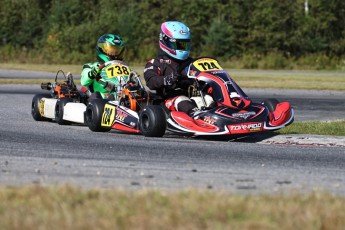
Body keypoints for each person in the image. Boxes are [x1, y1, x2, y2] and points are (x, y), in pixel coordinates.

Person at [143, 21, 199, 117]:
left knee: (207, 98)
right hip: (166, 101)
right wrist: (167, 79)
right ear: (166, 41)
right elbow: (151, 81)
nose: (183, 47)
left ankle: (219, 115)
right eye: (179, 44)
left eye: (185, 44)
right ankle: (197, 116)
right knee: (181, 100)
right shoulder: (156, 63)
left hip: (192, 97)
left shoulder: (191, 62)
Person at [81, 33, 128, 100]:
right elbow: (84, 81)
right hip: (101, 100)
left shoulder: (124, 67)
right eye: (111, 51)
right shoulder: (91, 66)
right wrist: (93, 72)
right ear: (101, 49)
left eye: (117, 51)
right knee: (104, 97)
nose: (115, 55)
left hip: (123, 98)